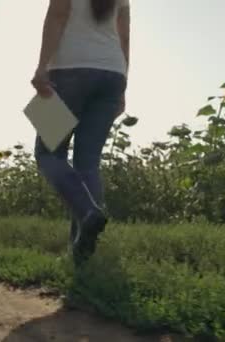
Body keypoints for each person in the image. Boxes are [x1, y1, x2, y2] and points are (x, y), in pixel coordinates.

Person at [31, 0, 131, 265]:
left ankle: (88, 212)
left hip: (68, 71)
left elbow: (57, 16)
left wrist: (42, 68)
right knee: (88, 163)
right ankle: (81, 256)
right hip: (113, 75)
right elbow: (125, 37)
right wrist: (122, 88)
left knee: (47, 154)